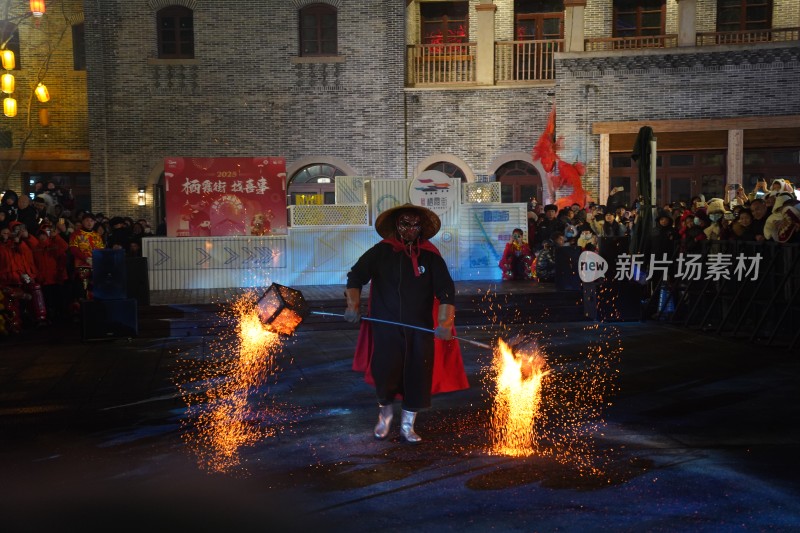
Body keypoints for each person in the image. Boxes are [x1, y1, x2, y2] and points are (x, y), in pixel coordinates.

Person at [345, 204, 468, 444]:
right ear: (396, 226)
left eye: (415, 224)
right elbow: (355, 276)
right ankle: (385, 415)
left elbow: (446, 292)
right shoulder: (380, 253)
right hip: (386, 326)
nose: (410, 229)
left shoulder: (431, 256)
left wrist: (444, 322)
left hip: (419, 329)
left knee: (418, 373)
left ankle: (408, 424)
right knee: (385, 371)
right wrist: (353, 306)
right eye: (405, 224)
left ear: (421, 227)